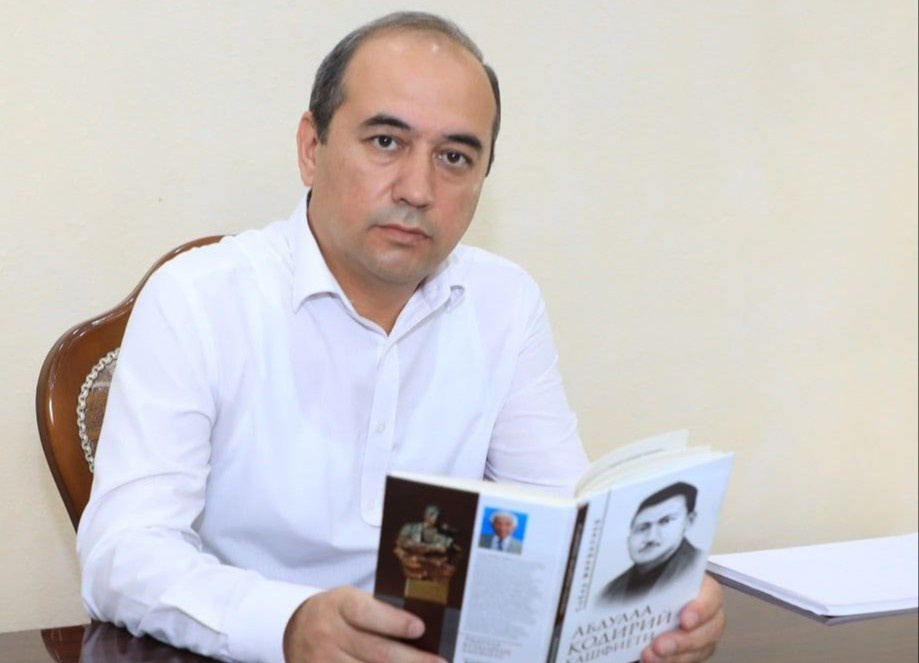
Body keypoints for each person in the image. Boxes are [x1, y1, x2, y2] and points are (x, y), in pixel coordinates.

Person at [76, 11, 725, 663]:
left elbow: (561, 524)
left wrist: (658, 596)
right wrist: (290, 624)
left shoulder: (504, 302)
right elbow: (123, 554)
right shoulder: (197, 298)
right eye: (386, 141)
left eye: (454, 157)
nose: (418, 189)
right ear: (311, 147)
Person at [600, 482, 705, 604]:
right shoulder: (608, 592)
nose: (651, 538)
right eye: (642, 528)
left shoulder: (699, 568)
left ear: (689, 521)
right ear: (628, 538)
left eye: (665, 521)